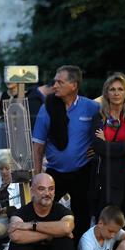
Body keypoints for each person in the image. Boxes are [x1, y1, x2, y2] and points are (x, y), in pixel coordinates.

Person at [32, 65, 100, 241]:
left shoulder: (91, 107)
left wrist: (97, 149)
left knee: (82, 217)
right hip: (55, 172)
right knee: (44, 212)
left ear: (73, 85)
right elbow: (38, 146)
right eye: (55, 81)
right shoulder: (47, 108)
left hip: (82, 171)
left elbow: (104, 132)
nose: (54, 85)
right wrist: (37, 177)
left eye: (59, 82)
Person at [91, 73, 125, 237]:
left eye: (120, 89)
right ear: (106, 93)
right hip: (109, 175)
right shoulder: (99, 117)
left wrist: (109, 144)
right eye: (112, 89)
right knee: (108, 219)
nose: (116, 93)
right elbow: (99, 147)